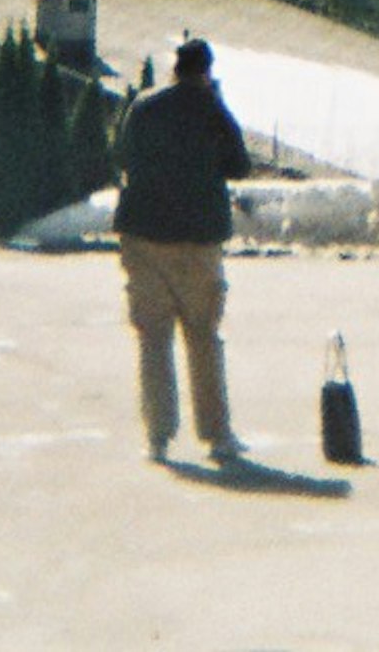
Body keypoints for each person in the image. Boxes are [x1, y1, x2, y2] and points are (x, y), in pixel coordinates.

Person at [115, 35, 253, 464]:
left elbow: (122, 156)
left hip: (143, 234)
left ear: (175, 67)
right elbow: (240, 166)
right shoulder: (212, 109)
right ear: (206, 70)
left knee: (154, 338)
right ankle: (216, 435)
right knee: (202, 337)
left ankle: (157, 436)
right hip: (197, 239)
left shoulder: (144, 106)